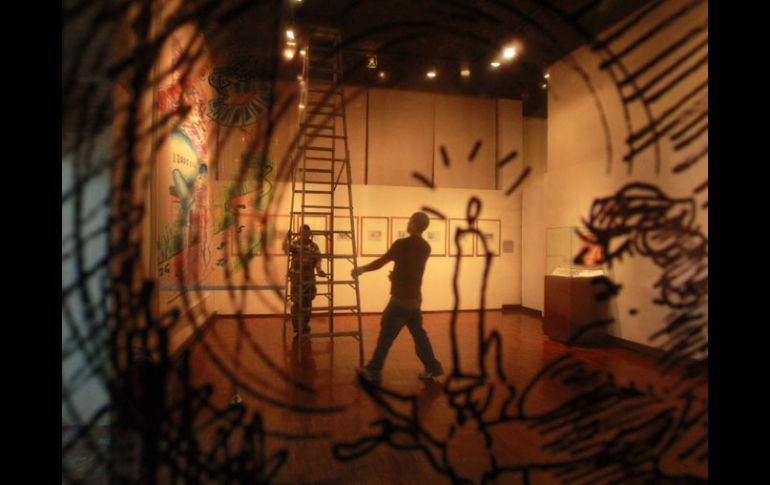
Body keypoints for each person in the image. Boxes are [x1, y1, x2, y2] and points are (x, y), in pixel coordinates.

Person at [353, 212, 443, 382]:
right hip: (415, 298)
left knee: (386, 335)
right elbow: (412, 270)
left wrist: (362, 269)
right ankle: (433, 366)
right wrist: (395, 277)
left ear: (414, 224)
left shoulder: (401, 244)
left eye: (410, 221)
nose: (408, 223)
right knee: (419, 335)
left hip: (400, 299)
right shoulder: (426, 247)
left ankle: (373, 369)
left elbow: (381, 262)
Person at [283, 225, 327, 336]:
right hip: (296, 279)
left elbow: (318, 260)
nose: (305, 236)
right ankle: (297, 327)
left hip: (309, 279)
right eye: (303, 233)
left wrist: (319, 270)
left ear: (310, 234)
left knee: (307, 304)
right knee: (297, 303)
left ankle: (304, 326)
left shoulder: (314, 246)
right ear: (300, 234)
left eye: (307, 233)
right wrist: (286, 238)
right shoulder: (295, 243)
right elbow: (285, 249)